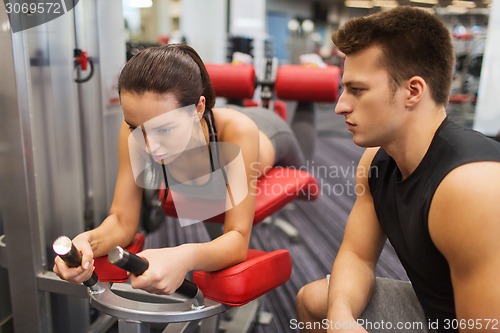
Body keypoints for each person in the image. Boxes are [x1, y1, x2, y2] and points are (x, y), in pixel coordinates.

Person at [296, 6, 500, 333]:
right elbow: (358, 255)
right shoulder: (377, 162)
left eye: (357, 90)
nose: (340, 105)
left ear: (412, 91)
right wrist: (342, 318)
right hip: (437, 309)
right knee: (314, 302)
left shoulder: (470, 185)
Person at [53, 44, 305, 295]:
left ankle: (308, 98)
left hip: (269, 131)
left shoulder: (240, 132)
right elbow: (122, 220)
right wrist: (87, 242)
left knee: (305, 160)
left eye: (164, 129)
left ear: (197, 109)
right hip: (208, 125)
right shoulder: (140, 126)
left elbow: (238, 238)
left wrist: (184, 256)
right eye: (135, 128)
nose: (149, 146)